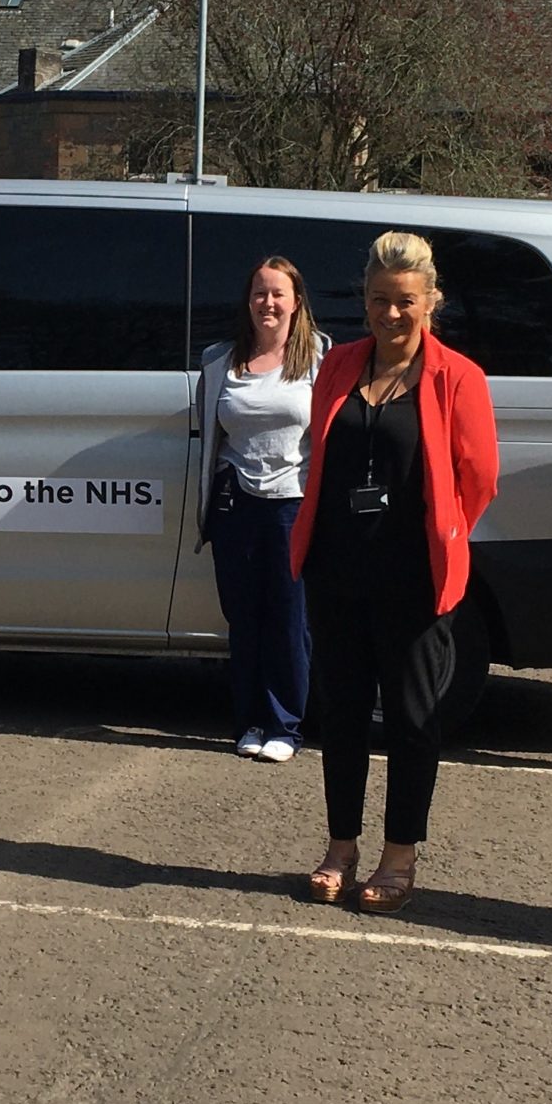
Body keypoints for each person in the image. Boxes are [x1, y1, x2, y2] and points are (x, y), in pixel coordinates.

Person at [288, 232, 498, 913]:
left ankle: (398, 854)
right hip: (336, 569)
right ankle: (340, 846)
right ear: (365, 300)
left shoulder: (457, 376)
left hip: (416, 578)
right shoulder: (338, 365)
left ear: (430, 301)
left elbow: (479, 477)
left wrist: (440, 531)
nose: (392, 313)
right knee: (342, 714)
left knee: (412, 718)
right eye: (380, 300)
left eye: (406, 301)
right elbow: (320, 453)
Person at [197, 256, 325, 762]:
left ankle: (285, 726)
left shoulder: (322, 358)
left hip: (293, 505)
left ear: (296, 302)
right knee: (244, 619)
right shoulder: (221, 360)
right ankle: (249, 721)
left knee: (290, 620)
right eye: (259, 293)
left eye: (277, 294)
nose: (267, 303)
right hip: (235, 504)